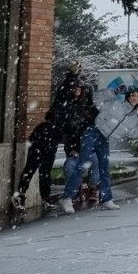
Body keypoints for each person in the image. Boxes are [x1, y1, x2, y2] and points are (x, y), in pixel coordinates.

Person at [12, 73, 90, 208]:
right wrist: (72, 75)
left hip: (52, 139)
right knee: (31, 167)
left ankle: (45, 198)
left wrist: (74, 147)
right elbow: (63, 92)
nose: (77, 90)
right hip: (43, 136)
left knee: (45, 170)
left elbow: (74, 132)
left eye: (80, 88)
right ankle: (20, 195)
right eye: (75, 88)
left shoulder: (78, 109)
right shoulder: (63, 101)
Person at [60, 82, 118, 213]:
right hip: (87, 137)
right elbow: (71, 132)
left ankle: (105, 197)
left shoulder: (101, 107)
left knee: (103, 165)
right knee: (80, 165)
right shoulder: (79, 107)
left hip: (100, 136)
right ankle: (68, 196)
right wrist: (72, 149)